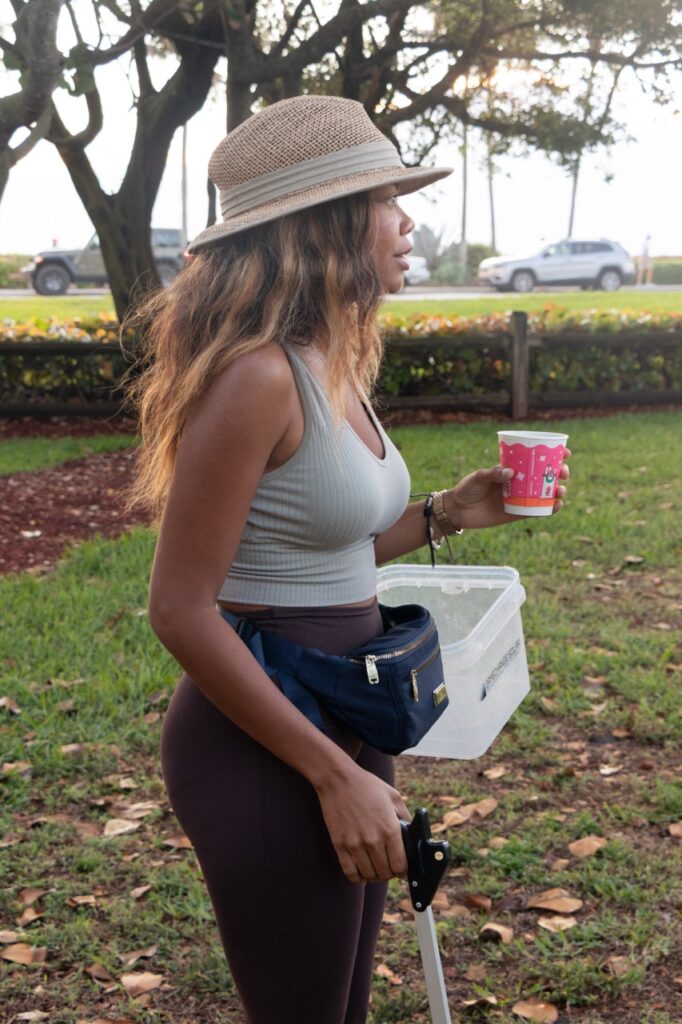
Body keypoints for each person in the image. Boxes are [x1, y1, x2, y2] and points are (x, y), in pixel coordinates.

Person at [125, 95, 569, 1024]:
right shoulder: (256, 378)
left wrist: (448, 513)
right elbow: (180, 607)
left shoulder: (330, 362)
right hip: (267, 745)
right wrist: (330, 773)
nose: (408, 222)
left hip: (346, 717)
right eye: (386, 200)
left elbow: (325, 553)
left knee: (339, 1005)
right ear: (322, 225)